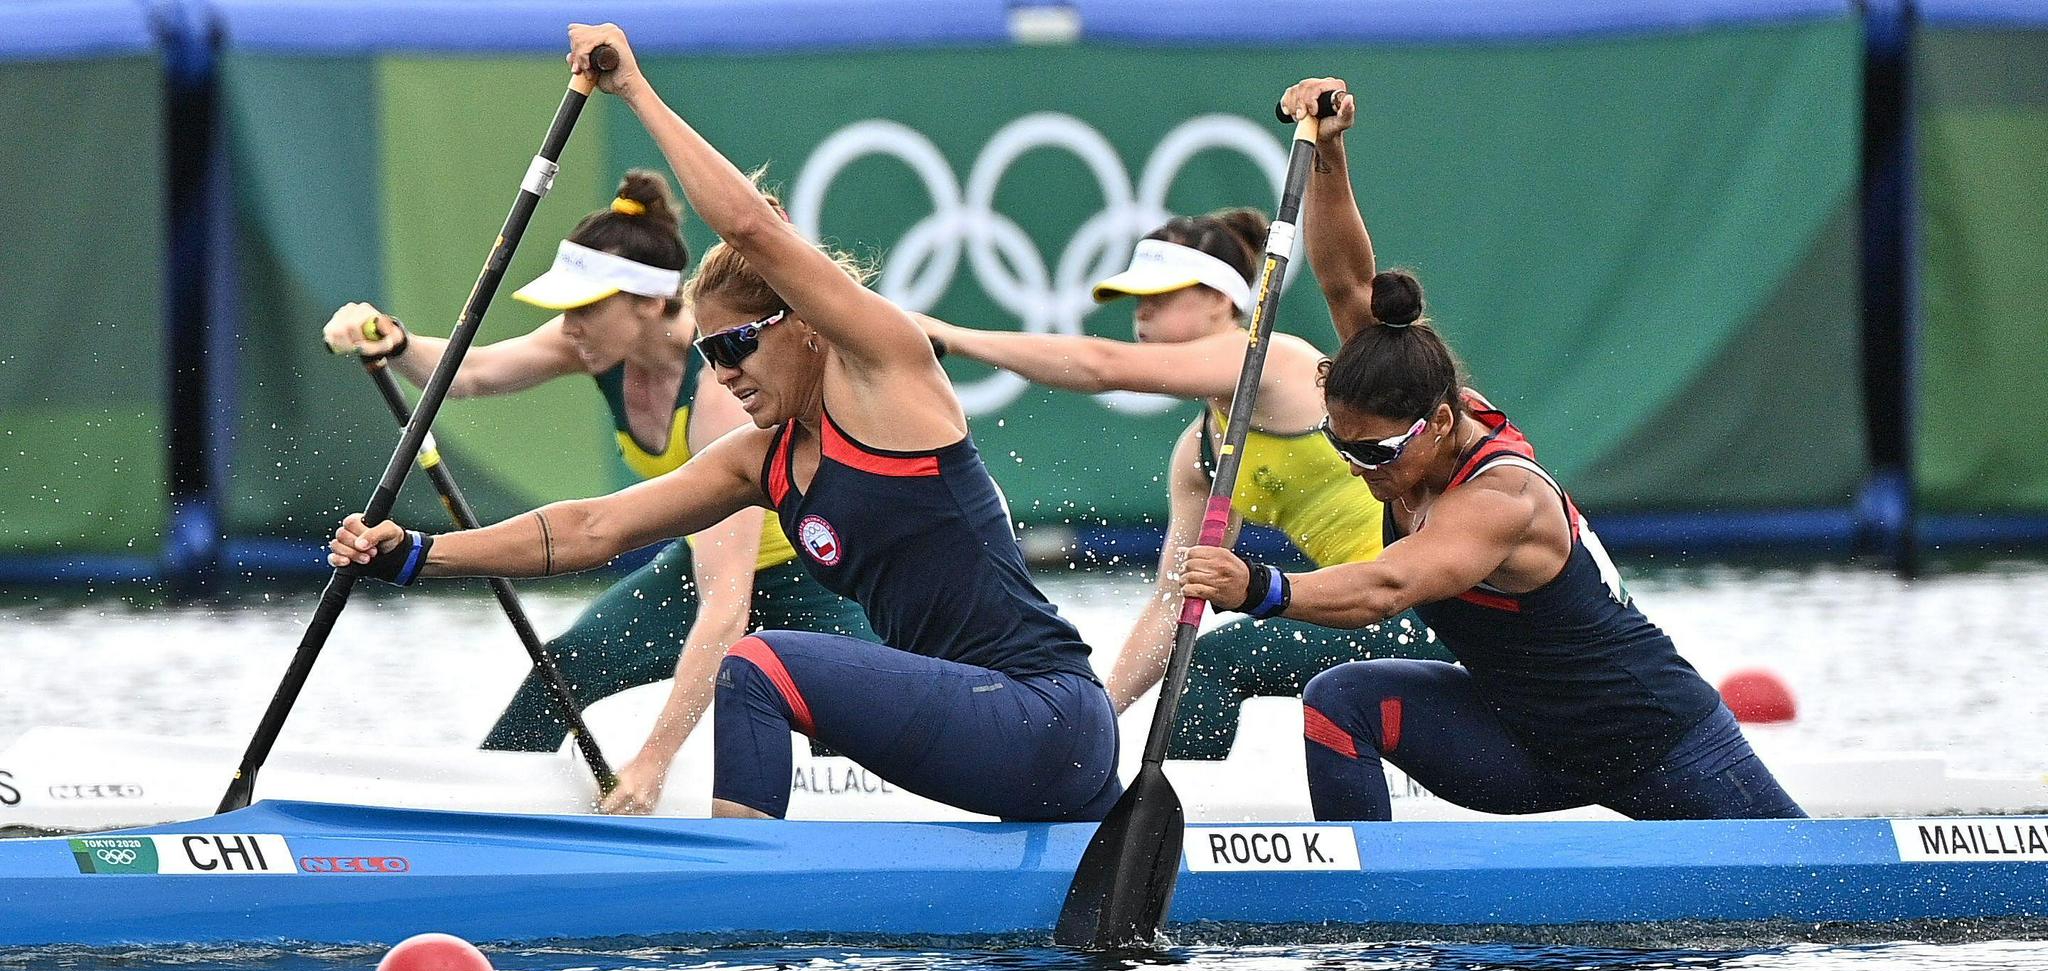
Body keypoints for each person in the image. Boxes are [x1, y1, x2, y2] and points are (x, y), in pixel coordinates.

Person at [328, 23, 1120, 824]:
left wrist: (632, 88)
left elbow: (751, 230)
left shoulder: (889, 376)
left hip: (1046, 715)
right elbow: (592, 529)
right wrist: (416, 556)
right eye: (707, 353)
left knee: (756, 664)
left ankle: (748, 926)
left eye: (738, 344)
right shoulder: (760, 462)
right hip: (1000, 741)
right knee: (743, 667)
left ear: (804, 322)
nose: (723, 372)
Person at [1175, 77, 1804, 824]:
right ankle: (1370, 908)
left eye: (1375, 455)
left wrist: (1260, 588)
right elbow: (1346, 282)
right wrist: (1330, 151)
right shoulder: (1398, 392)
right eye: (1342, 446)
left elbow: (1385, 588)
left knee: (1826, 911)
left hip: (1661, 746)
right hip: (1523, 743)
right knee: (1340, 700)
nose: (1358, 467)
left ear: (1440, 425)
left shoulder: (1502, 500)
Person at [321, 171, 868, 813]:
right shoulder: (597, 345)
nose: (569, 324)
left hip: (818, 577)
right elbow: (469, 373)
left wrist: (651, 764)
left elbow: (727, 610)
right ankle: (482, 815)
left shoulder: (722, 392)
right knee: (564, 668)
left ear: (649, 304)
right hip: (702, 570)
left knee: (848, 728)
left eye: (586, 307)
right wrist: (398, 339)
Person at [922, 210, 1445, 761]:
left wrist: (953, 337)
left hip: (1423, 600)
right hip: (1357, 605)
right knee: (1195, 651)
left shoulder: (1276, 362)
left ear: (1222, 300)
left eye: (1162, 296)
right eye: (1136, 301)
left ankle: (1188, 816)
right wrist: (1101, 711)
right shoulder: (1199, 455)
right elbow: (1175, 602)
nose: (1142, 314)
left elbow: (1104, 366)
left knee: (1210, 665)